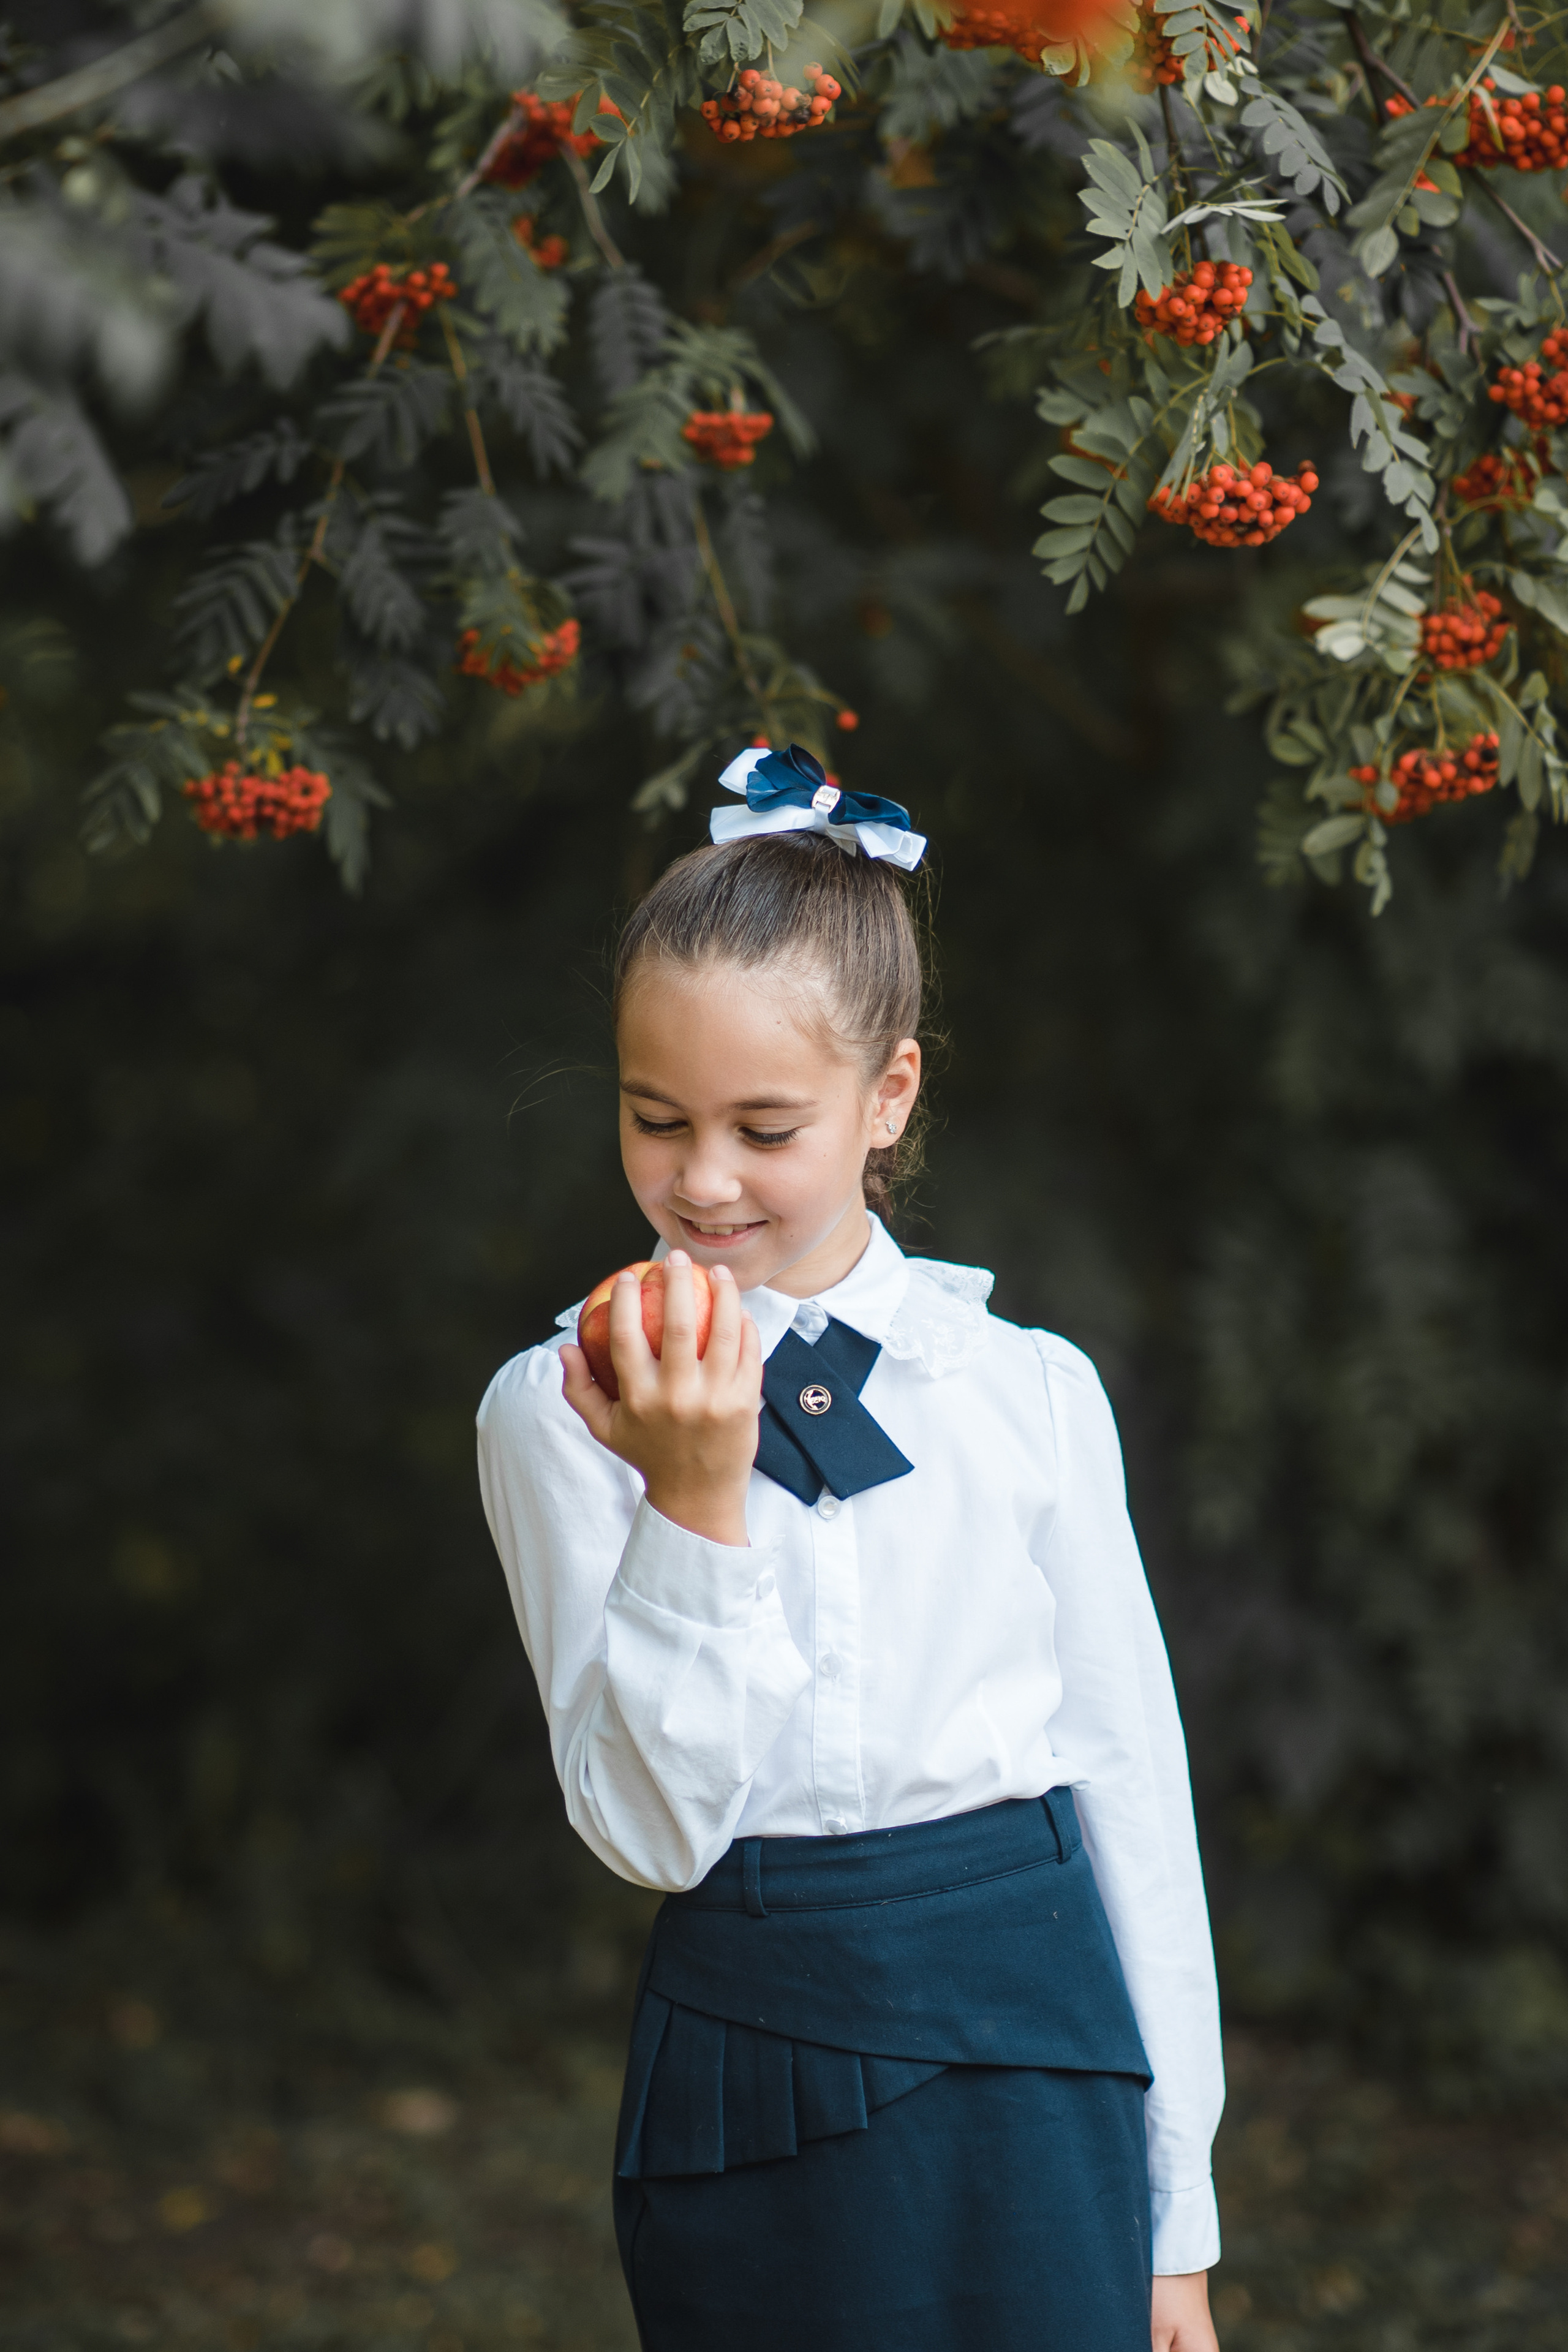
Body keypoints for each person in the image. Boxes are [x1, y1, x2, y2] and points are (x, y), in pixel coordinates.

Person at [477, 743, 1224, 2352]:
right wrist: (692, 1498)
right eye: (655, 1118)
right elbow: (652, 1837)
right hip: (757, 2047)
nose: (703, 1180)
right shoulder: (559, 1407)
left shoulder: (1027, 1391)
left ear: (888, 1096)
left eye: (765, 1125)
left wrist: (1180, 2219)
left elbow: (1130, 1787)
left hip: (1039, 2038)